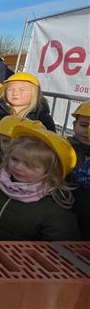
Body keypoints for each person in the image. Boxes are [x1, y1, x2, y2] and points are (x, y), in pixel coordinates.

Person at [0, 123, 80, 241]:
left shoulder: (55, 209)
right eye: (14, 159)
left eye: (30, 165)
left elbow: (56, 251)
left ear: (51, 171)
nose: (18, 167)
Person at [0, 72, 56, 139]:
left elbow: (51, 143)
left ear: (34, 93)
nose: (15, 93)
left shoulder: (42, 118)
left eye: (22, 90)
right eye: (10, 89)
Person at [66, 101, 90, 239]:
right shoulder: (63, 147)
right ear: (74, 125)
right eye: (84, 125)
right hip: (65, 205)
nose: (87, 131)